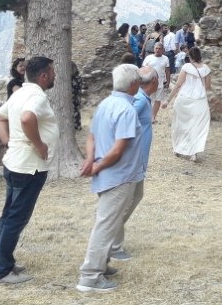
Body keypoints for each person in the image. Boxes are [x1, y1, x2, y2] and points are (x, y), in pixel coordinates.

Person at [0, 56, 58, 285]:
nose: (55, 75)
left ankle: (2, 262)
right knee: (16, 218)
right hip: (29, 167)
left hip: (15, 163)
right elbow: (27, 118)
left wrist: (10, 142)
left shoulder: (19, 93)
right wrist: (40, 145)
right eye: (53, 72)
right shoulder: (37, 96)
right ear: (44, 76)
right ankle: (1, 271)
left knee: (8, 215)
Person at [76, 64, 143, 292]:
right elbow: (117, 150)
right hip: (119, 176)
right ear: (133, 84)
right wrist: (96, 165)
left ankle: (101, 265)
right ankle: (90, 276)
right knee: (105, 225)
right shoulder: (126, 110)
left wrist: (91, 160)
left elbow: (91, 137)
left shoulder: (105, 104)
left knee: (109, 222)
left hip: (110, 174)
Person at [110, 65, 157, 263]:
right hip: (132, 160)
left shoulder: (142, 99)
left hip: (137, 160)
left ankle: (111, 236)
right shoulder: (139, 100)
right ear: (154, 81)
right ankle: (113, 244)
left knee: (136, 196)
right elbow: (123, 121)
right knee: (126, 201)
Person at [162, 45, 211, 162]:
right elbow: (208, 86)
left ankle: (178, 148)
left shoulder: (186, 67)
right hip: (199, 100)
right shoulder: (206, 69)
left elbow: (178, 85)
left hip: (184, 98)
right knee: (197, 126)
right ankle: (193, 153)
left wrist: (168, 100)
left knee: (180, 125)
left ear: (190, 56)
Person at [141, 41, 170, 124]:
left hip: (160, 83)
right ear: (154, 49)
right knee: (148, 100)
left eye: (159, 48)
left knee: (158, 100)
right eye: (156, 48)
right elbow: (143, 70)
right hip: (149, 83)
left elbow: (167, 70)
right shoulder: (148, 58)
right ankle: (147, 116)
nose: (158, 50)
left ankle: (153, 117)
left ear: (163, 50)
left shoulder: (165, 58)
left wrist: (168, 81)